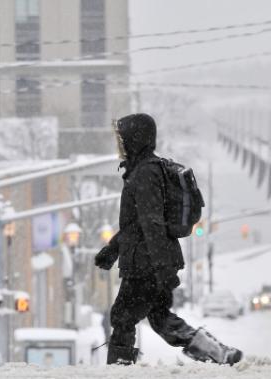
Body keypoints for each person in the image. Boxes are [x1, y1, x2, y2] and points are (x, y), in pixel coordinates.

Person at [94, 113, 242, 366]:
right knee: (159, 316)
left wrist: (162, 269)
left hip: (147, 262)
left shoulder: (145, 174)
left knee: (122, 317)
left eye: (123, 138)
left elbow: (152, 224)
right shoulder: (145, 170)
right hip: (150, 259)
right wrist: (112, 250)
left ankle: (118, 368)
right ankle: (216, 351)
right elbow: (138, 225)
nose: (120, 144)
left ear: (136, 139)